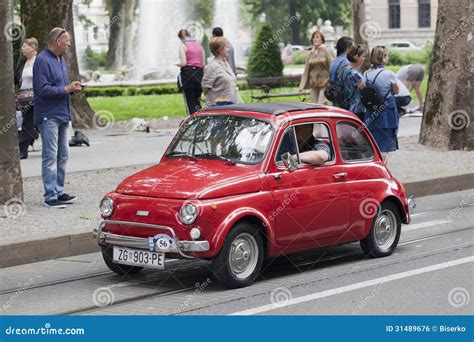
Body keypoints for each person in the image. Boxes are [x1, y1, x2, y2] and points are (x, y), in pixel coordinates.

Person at [33, 27, 82, 208]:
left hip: (62, 114)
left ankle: (59, 191)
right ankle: (50, 196)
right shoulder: (41, 60)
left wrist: (72, 88)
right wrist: (66, 89)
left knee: (63, 155)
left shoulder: (61, 59)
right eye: (67, 40)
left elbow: (62, 88)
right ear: (57, 41)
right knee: (50, 156)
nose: (69, 43)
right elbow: (42, 89)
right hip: (48, 116)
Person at [363, 46, 400, 157]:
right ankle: (382, 169)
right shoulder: (388, 74)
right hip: (387, 111)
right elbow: (396, 91)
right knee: (385, 145)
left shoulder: (366, 74)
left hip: (371, 111)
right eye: (386, 55)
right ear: (383, 57)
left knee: (374, 143)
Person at [14, 37, 39, 159]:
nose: (22, 49)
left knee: (30, 123)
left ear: (33, 48)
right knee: (30, 123)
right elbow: (16, 79)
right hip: (24, 99)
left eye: (25, 46)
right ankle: (22, 151)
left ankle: (22, 151)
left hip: (37, 98)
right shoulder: (22, 62)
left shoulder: (39, 61)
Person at [201, 37, 240, 106]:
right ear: (219, 50)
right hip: (218, 107)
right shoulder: (212, 66)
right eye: (226, 47)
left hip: (231, 105)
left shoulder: (226, 63)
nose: (228, 49)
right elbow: (205, 87)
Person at [298, 31, 334, 104]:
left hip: (325, 82)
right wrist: (301, 87)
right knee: (314, 105)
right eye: (313, 38)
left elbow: (333, 66)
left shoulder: (326, 50)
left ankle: (326, 112)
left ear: (322, 39)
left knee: (320, 104)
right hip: (313, 83)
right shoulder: (310, 53)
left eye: (317, 37)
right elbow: (306, 71)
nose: (315, 39)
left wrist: (334, 81)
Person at [177, 29, 205, 115]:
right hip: (199, 74)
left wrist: (178, 65)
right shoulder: (199, 45)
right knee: (197, 100)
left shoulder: (183, 45)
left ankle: (192, 119)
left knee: (189, 101)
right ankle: (199, 117)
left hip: (187, 75)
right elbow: (203, 63)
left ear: (181, 37)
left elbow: (184, 63)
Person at [341, 44, 368, 121]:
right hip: (358, 108)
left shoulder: (344, 69)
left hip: (348, 106)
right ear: (356, 57)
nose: (364, 59)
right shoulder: (354, 73)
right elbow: (363, 87)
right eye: (363, 56)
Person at [328, 36, 354, 108]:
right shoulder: (346, 62)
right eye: (353, 47)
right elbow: (348, 81)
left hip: (336, 96)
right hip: (345, 98)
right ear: (347, 48)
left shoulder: (334, 61)